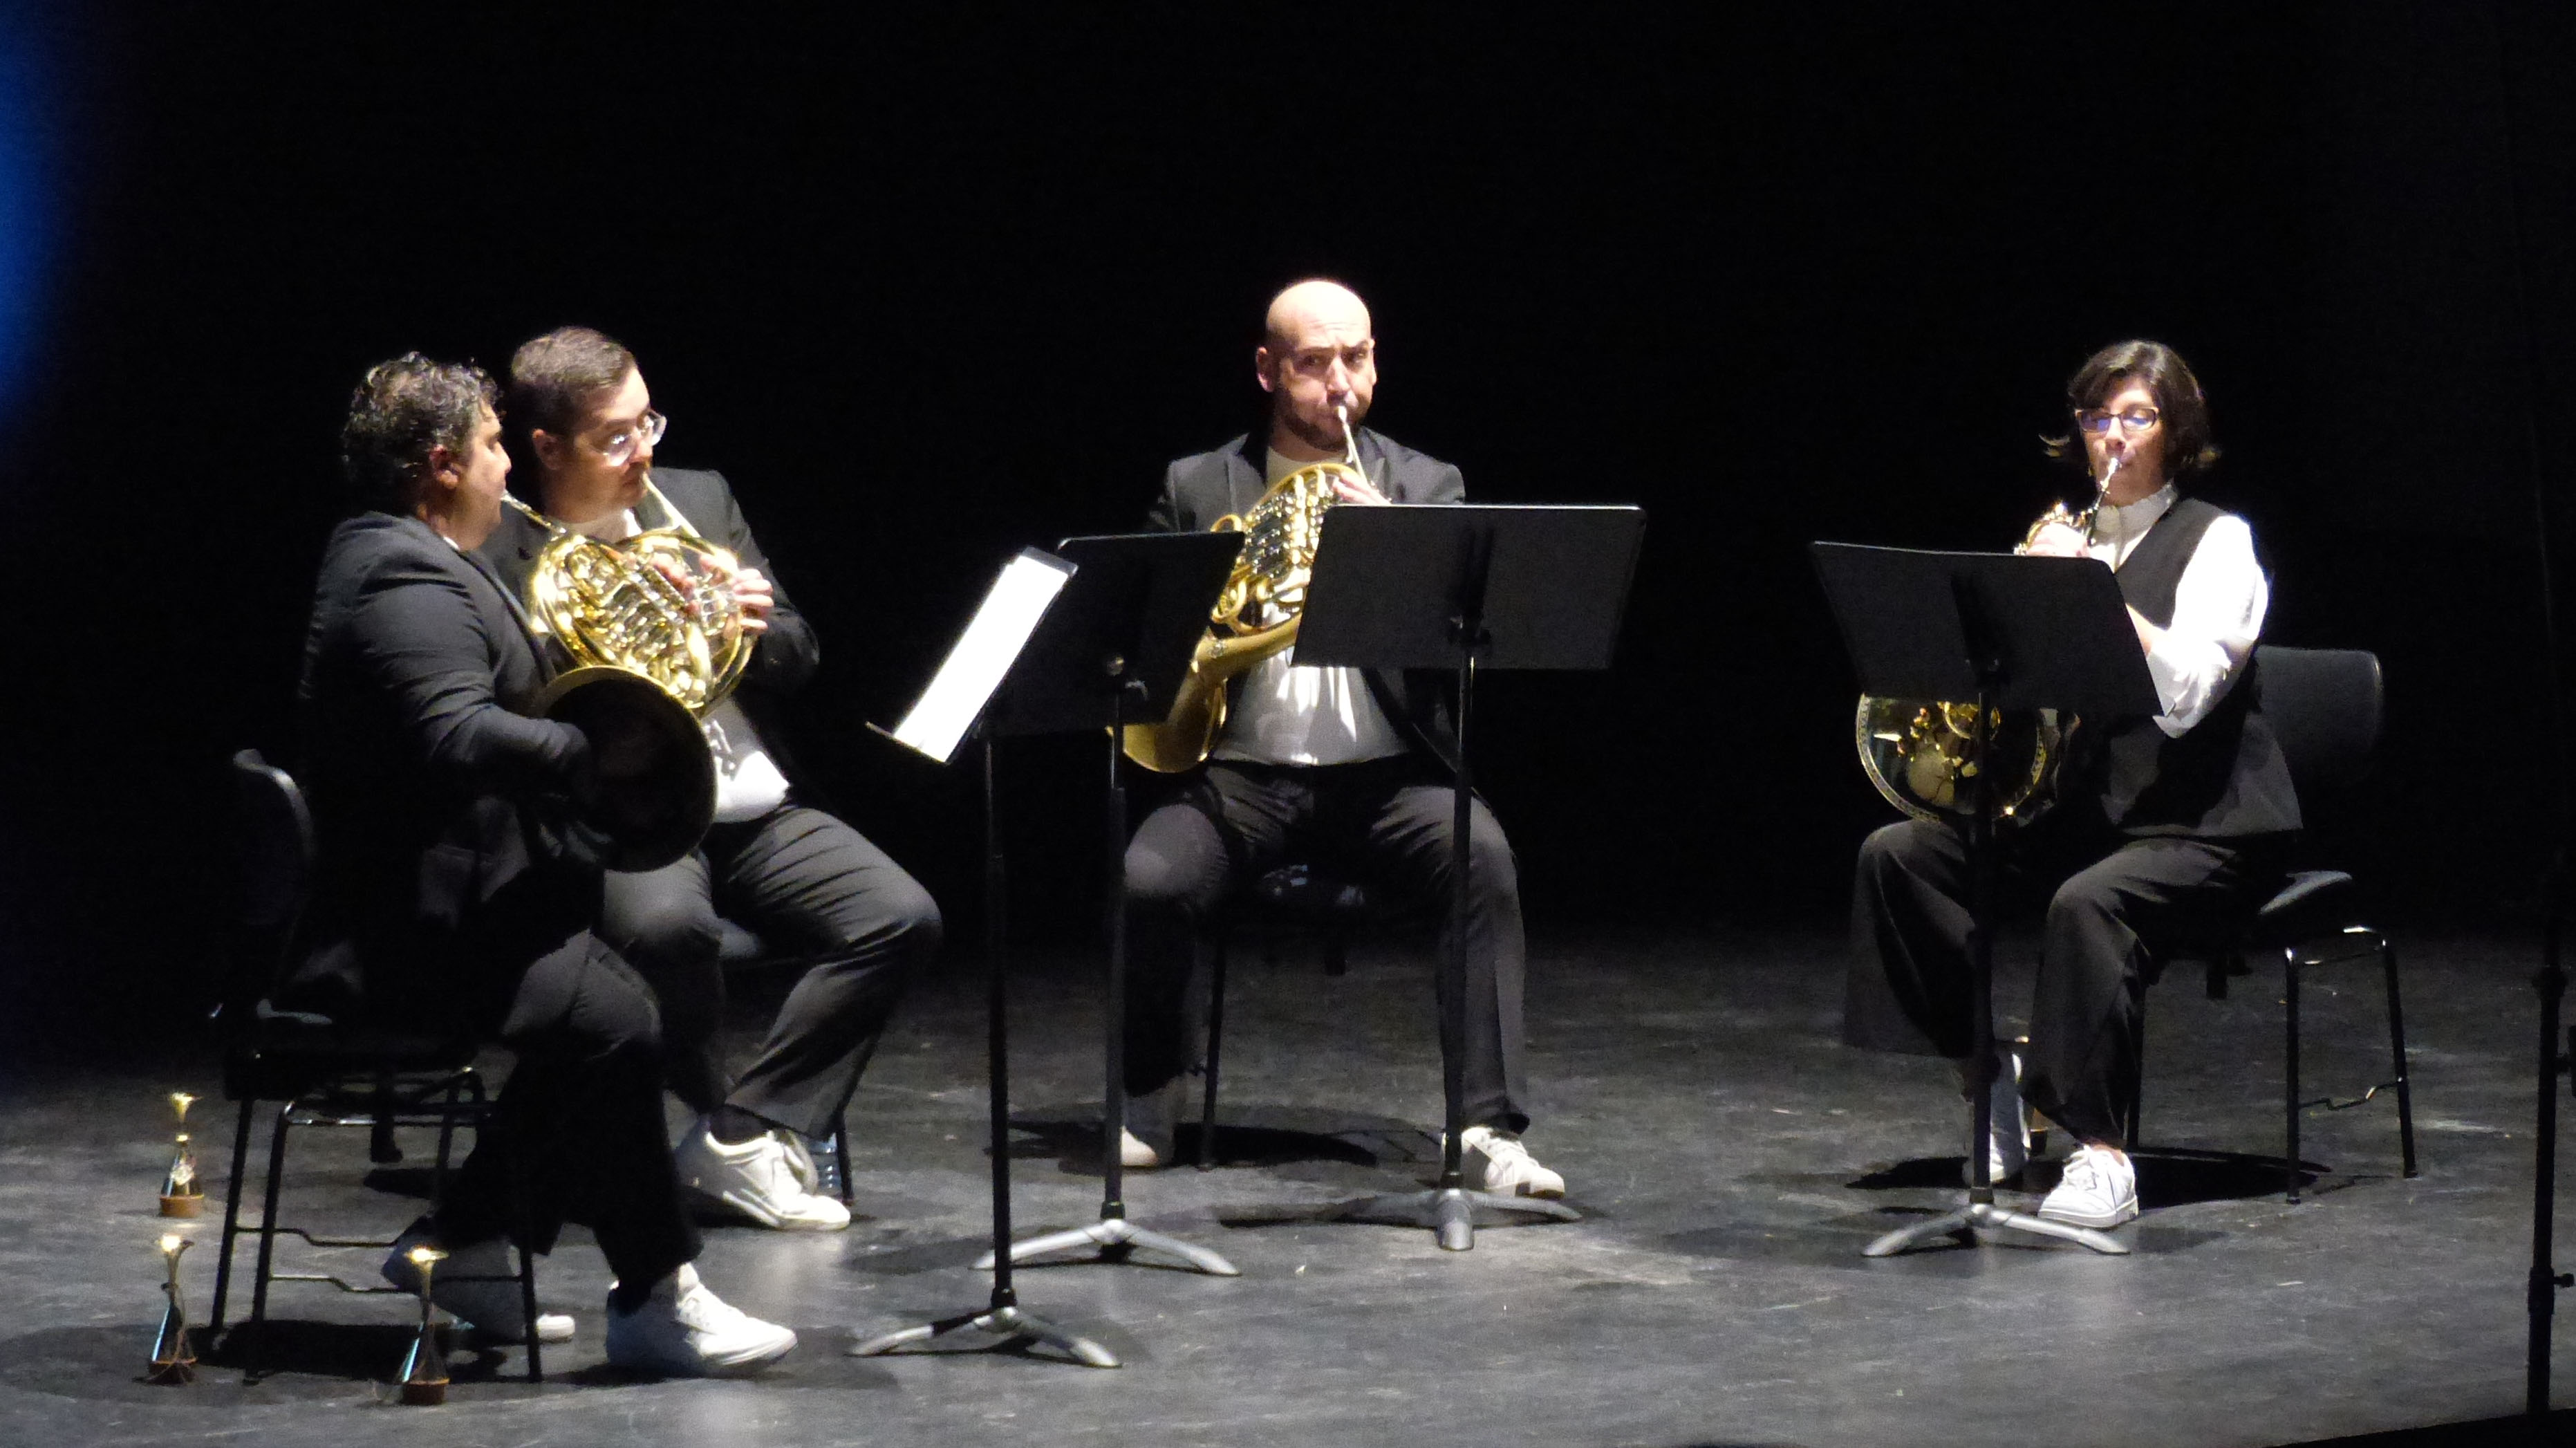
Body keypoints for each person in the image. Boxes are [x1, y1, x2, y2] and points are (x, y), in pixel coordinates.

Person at [296, 354, 795, 1373]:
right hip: (402, 932)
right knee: (613, 1023)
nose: (504, 468)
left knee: (611, 1019)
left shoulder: (427, 555)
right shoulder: (401, 571)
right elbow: (455, 731)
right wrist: (595, 750)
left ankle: (475, 1247)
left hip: (456, 903)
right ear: (441, 462)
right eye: (489, 445)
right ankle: (656, 1293)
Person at [481, 326, 942, 1233]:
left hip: (755, 800)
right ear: (546, 447)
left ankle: (737, 1131)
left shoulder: (694, 498)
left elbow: (800, 653)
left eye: (647, 418)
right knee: (669, 926)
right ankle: (731, 1144)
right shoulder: (502, 546)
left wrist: (756, 626)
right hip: (632, 814)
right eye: (615, 435)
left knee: (900, 916)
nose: (643, 447)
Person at [1119, 279, 1563, 1197]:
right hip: (1241, 771)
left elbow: (1457, 653)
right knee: (1149, 879)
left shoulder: (1425, 484)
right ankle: (1149, 1087)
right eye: (1313, 363)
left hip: (1388, 775)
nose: (1338, 383)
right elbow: (1152, 645)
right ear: (1267, 370)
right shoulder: (1199, 484)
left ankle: (1484, 1127)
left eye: (1353, 359)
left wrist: (1392, 551)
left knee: (1481, 862)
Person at [1847, 338, 2302, 1230]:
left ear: (2177, 433)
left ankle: (2101, 1155)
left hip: (2204, 826)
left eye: (2136, 418)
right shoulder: (2067, 538)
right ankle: (1991, 1082)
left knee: (2088, 906)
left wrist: (2091, 592)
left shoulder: (2219, 542)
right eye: (2099, 419)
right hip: (2084, 812)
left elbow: (2187, 698)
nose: (2113, 439)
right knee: (1899, 857)